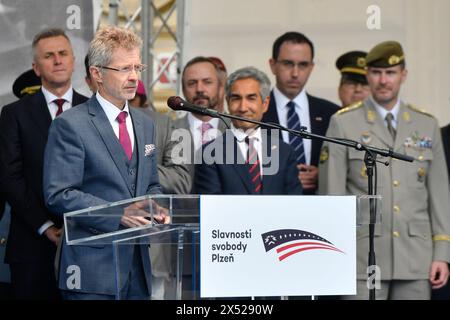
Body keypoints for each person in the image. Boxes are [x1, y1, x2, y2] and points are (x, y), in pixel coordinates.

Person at [319, 41, 450, 300]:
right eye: (377, 72)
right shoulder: (343, 123)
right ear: (368, 75)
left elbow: (439, 195)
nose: (383, 80)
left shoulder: (426, 124)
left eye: (390, 73)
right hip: (361, 258)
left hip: (415, 258)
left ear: (403, 75)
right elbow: (331, 197)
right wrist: (334, 255)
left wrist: (442, 253)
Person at [43, 26, 166, 300]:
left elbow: (152, 184)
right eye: (124, 69)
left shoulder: (146, 124)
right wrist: (117, 213)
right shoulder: (70, 125)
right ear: (97, 74)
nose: (134, 77)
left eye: (137, 67)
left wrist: (156, 206)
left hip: (140, 268)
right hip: (92, 270)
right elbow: (59, 194)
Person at [0, 28, 88, 300]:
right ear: (36, 68)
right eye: (49, 56)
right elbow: (9, 176)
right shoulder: (14, 114)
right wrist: (46, 227)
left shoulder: (95, 110)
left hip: (87, 241)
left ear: (73, 60)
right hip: (31, 243)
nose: (57, 60)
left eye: (63, 54)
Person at [194, 66, 302, 195]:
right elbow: (211, 209)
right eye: (236, 98)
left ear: (265, 104)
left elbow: (294, 205)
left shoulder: (284, 152)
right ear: (228, 102)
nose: (243, 107)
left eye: (251, 98)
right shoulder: (209, 153)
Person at [262, 32, 339, 195]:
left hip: (317, 209)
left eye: (303, 65)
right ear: (272, 65)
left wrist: (322, 175)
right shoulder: (256, 113)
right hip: (271, 209)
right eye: (288, 64)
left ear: (311, 67)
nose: (295, 73)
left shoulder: (332, 114)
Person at [175, 56, 230, 159]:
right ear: (183, 89)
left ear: (220, 87)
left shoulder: (236, 128)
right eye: (192, 83)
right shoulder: (169, 131)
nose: (199, 89)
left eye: (207, 82)